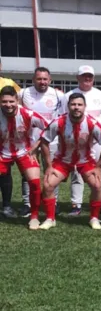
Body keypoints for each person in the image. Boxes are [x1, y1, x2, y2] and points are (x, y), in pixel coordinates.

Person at [37, 92, 101, 230]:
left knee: (97, 185)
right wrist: (48, 165)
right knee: (47, 185)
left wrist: (98, 166)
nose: (76, 107)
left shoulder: (92, 123)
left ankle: (94, 218)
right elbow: (44, 141)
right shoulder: (58, 122)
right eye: (73, 104)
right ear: (68, 106)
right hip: (63, 161)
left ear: (84, 107)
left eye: (79, 104)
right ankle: (50, 218)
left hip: (86, 161)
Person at [17, 67, 64, 218]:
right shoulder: (23, 93)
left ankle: (53, 202)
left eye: (45, 79)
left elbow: (62, 119)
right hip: (28, 142)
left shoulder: (58, 95)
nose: (42, 82)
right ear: (33, 80)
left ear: (49, 80)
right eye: (39, 79)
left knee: (51, 171)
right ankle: (27, 204)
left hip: (51, 141)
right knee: (28, 174)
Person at [67, 65, 101, 216]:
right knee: (76, 173)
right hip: (76, 142)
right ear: (77, 78)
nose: (87, 79)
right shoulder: (69, 95)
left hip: (97, 141)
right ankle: (76, 204)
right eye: (84, 76)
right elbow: (63, 118)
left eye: (90, 76)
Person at [0, 86, 45, 229]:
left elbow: (49, 127)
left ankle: (34, 217)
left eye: (11, 101)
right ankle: (6, 207)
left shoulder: (27, 114)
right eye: (4, 102)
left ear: (17, 100)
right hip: (2, 152)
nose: (8, 105)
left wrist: (36, 146)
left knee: (35, 182)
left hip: (24, 151)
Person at [0, 58, 22, 217]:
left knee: (4, 171)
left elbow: (20, 100)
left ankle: (6, 205)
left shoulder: (8, 82)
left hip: (7, 133)